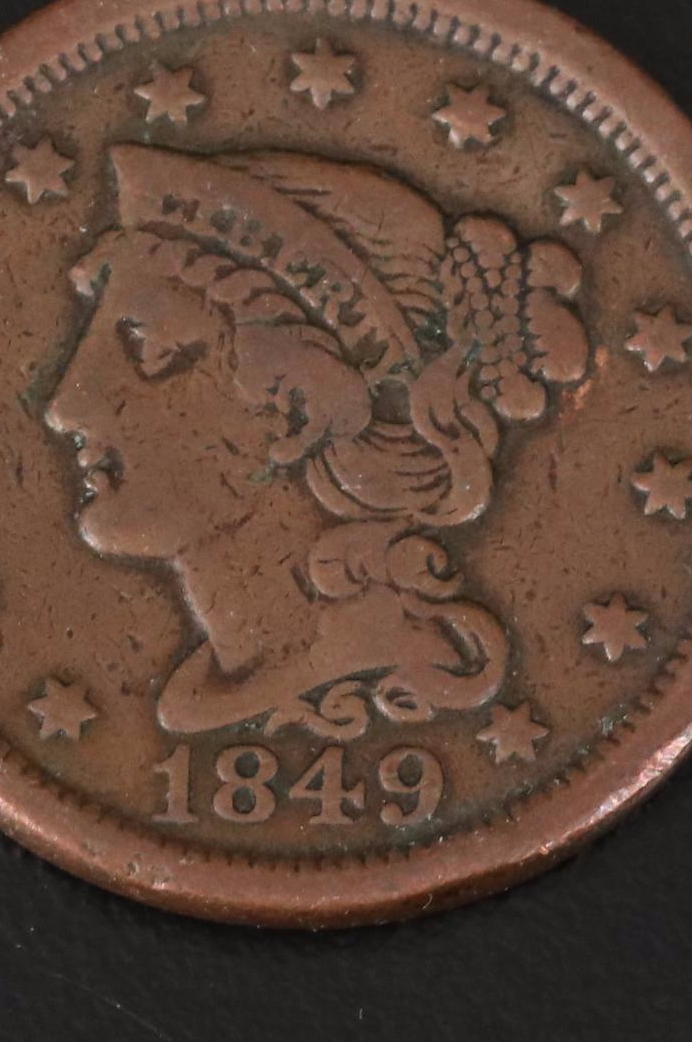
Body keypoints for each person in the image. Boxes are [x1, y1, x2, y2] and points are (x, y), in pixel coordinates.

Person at [44, 141, 588, 738]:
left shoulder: (390, 667)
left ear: (296, 413)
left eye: (148, 348)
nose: (65, 407)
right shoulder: (209, 688)